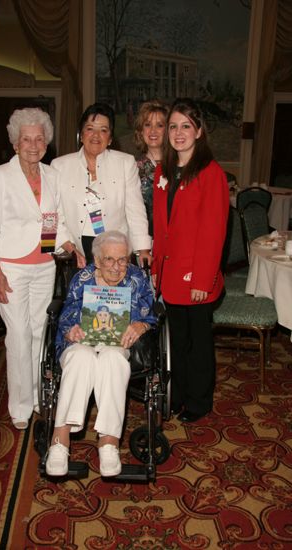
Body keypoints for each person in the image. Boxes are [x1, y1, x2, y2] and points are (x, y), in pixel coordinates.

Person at [0, 107, 72, 431]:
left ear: (46, 142)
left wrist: (67, 244)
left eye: (39, 139)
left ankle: (37, 395)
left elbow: (52, 220)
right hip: (13, 268)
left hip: (43, 266)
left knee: (38, 333)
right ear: (15, 143)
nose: (33, 145)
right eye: (26, 139)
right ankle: (19, 405)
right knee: (18, 335)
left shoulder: (52, 175)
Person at [46, 230, 157, 477]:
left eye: (122, 260)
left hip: (117, 344)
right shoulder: (82, 278)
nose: (117, 268)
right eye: (109, 260)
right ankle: (60, 440)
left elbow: (152, 312)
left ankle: (108, 442)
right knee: (80, 358)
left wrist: (141, 325)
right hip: (81, 342)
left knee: (113, 359)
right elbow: (65, 315)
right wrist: (69, 331)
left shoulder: (137, 278)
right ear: (97, 260)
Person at [151, 98, 229, 423]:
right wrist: (156, 270)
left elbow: (214, 232)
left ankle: (198, 402)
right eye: (173, 126)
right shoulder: (163, 171)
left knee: (198, 346)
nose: (178, 132)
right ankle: (177, 396)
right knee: (175, 342)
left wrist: (201, 280)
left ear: (198, 131)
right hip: (169, 273)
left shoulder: (211, 174)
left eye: (186, 126)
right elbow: (160, 227)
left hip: (196, 278)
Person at [51, 102, 151, 266]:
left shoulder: (125, 163)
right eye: (90, 129)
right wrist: (67, 246)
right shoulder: (59, 166)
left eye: (103, 130)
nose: (96, 135)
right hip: (76, 251)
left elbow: (136, 211)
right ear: (81, 135)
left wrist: (143, 250)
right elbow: (54, 213)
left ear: (110, 138)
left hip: (115, 252)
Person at [134, 101, 169, 236]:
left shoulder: (179, 166)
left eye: (159, 125)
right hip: (142, 240)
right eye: (147, 125)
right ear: (141, 131)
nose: (153, 131)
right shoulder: (131, 168)